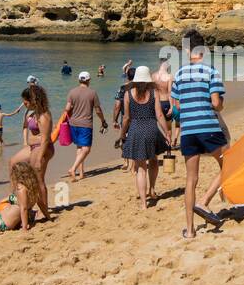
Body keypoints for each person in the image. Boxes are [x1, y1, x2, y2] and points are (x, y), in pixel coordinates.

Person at [171, 36, 227, 239]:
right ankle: (204, 201)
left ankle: (190, 230)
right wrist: (219, 104)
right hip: (208, 127)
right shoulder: (211, 71)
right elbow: (216, 103)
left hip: (188, 131)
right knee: (230, 163)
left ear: (187, 51)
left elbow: (176, 105)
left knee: (190, 179)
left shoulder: (179, 73)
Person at [120, 65, 172, 209]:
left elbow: (126, 118)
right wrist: (167, 132)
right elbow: (159, 114)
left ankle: (144, 203)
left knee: (140, 167)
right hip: (151, 128)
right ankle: (152, 189)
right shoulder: (154, 92)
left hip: (136, 129)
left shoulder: (128, 93)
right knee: (154, 160)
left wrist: (122, 134)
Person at [10, 83, 54, 219]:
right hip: (32, 148)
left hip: (42, 149)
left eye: (25, 100)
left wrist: (40, 158)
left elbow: (46, 139)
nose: (23, 103)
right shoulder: (33, 113)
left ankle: (43, 209)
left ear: (33, 100)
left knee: (38, 179)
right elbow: (27, 128)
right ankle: (17, 198)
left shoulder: (43, 116)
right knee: (13, 163)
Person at [63, 71, 108, 181]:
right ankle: (73, 169)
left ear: (79, 80)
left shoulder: (72, 92)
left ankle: (81, 173)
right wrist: (103, 121)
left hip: (73, 124)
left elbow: (67, 108)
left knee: (79, 148)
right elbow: (97, 110)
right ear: (88, 80)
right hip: (85, 124)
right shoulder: (92, 93)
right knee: (86, 149)